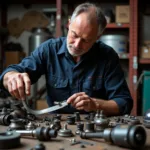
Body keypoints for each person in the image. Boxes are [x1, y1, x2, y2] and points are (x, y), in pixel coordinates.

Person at [0, 2, 133, 115]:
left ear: (97, 37)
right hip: (56, 128)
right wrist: (11, 77)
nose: (76, 45)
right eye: (74, 35)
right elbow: (14, 71)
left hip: (95, 126)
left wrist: (95, 104)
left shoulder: (107, 56)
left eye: (86, 40)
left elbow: (124, 102)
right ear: (69, 24)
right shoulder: (49, 49)